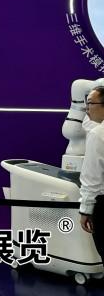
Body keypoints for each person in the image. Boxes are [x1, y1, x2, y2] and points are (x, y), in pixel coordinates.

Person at [79, 85, 104, 258]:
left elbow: (92, 179)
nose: (87, 109)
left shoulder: (98, 134)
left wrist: (85, 210)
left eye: (90, 103)